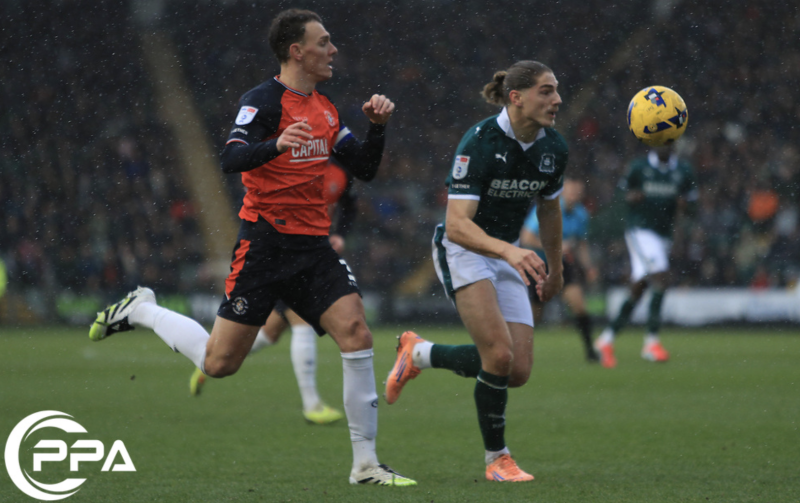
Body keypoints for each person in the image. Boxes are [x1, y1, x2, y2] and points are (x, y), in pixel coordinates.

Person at [89, 9, 416, 487]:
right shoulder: (262, 102)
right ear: (295, 51)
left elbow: (363, 168)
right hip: (264, 245)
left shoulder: (326, 109)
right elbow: (230, 156)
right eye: (323, 42)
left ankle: (365, 465)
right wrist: (277, 145)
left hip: (314, 247)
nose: (333, 49)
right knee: (219, 364)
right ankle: (143, 309)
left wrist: (378, 128)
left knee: (356, 333)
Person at [384, 60, 567, 482]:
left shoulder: (553, 148)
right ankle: (497, 460)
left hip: (508, 254)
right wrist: (509, 251)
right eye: (546, 90)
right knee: (498, 355)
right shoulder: (480, 141)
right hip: (464, 249)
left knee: (516, 370)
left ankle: (418, 353)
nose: (556, 99)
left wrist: (555, 269)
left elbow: (550, 208)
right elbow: (457, 225)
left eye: (556, 90)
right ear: (516, 98)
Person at [189, 162, 361, 427]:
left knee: (269, 334)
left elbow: (350, 205)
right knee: (300, 321)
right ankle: (312, 404)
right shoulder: (294, 162)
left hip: (315, 255)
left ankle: (210, 360)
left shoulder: (340, 171)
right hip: (283, 255)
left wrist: (340, 235)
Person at [593, 145, 697, 368]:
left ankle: (606, 339)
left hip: (664, 236)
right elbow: (621, 195)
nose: (664, 145)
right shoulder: (639, 167)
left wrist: (685, 206)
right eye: (660, 140)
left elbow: (693, 206)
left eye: (669, 140)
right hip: (640, 230)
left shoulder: (683, 171)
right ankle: (651, 343)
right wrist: (632, 197)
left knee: (639, 287)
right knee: (661, 277)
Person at [519, 176, 600, 362]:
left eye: (578, 192)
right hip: (537, 264)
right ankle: (520, 353)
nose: (574, 195)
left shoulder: (581, 214)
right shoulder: (548, 209)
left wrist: (589, 267)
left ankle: (590, 352)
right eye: (571, 191)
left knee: (579, 305)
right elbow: (526, 238)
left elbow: (581, 244)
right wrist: (555, 247)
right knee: (534, 315)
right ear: (563, 191)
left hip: (562, 265)